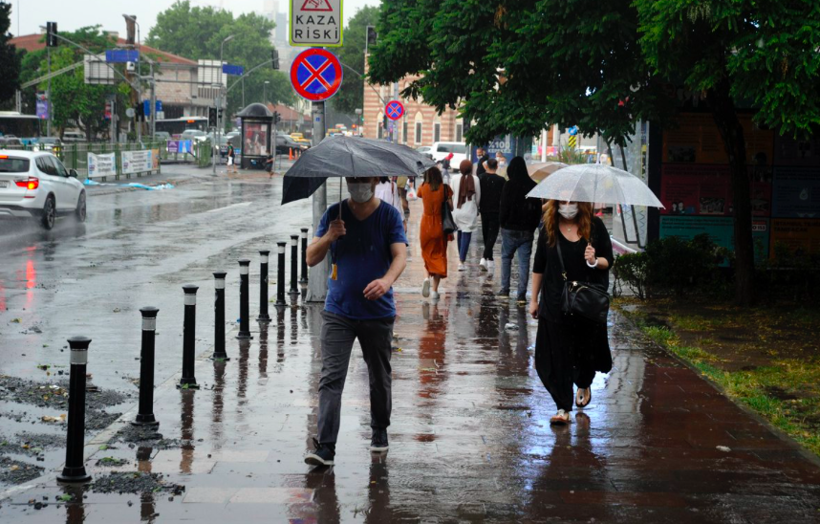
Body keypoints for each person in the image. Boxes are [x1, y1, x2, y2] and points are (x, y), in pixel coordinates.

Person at [304, 177, 408, 466]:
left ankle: (379, 430)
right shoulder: (333, 214)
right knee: (330, 377)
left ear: (375, 180)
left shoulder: (389, 216)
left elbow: (401, 255)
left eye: (363, 179)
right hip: (339, 311)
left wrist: (387, 281)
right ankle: (326, 446)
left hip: (378, 312)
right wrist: (329, 236)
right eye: (353, 179)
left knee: (379, 375)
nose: (357, 184)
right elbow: (311, 258)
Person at [529, 200, 613, 425]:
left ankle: (584, 382)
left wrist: (594, 261)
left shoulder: (594, 227)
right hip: (555, 302)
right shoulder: (548, 228)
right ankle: (562, 406)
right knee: (556, 356)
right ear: (555, 204)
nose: (567, 206)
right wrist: (533, 299)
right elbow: (539, 266)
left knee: (584, 352)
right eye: (563, 202)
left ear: (581, 204)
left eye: (572, 202)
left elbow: (609, 261)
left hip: (585, 305)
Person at [498, 157, 541, 302]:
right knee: (524, 262)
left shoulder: (508, 186)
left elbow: (503, 207)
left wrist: (502, 224)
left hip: (509, 228)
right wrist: (532, 227)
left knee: (506, 259)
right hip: (526, 230)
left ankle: (505, 290)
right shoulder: (533, 186)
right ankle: (521, 294)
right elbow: (537, 211)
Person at [417, 166, 453, 300]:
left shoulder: (423, 187)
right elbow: (451, 207)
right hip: (439, 225)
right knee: (439, 255)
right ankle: (434, 291)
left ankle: (426, 278)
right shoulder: (445, 189)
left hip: (425, 225)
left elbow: (418, 194)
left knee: (427, 254)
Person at [450, 159, 481, 271]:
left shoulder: (454, 178)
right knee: (466, 235)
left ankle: (460, 259)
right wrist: (476, 208)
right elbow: (478, 197)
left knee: (459, 233)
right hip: (469, 211)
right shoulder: (476, 179)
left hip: (457, 211)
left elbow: (451, 195)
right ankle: (461, 260)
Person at [477, 158, 505, 272]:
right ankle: (487, 258)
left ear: (487, 166)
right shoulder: (501, 180)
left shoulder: (481, 178)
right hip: (496, 210)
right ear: (497, 166)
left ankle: (487, 258)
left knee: (486, 234)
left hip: (484, 210)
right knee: (492, 235)